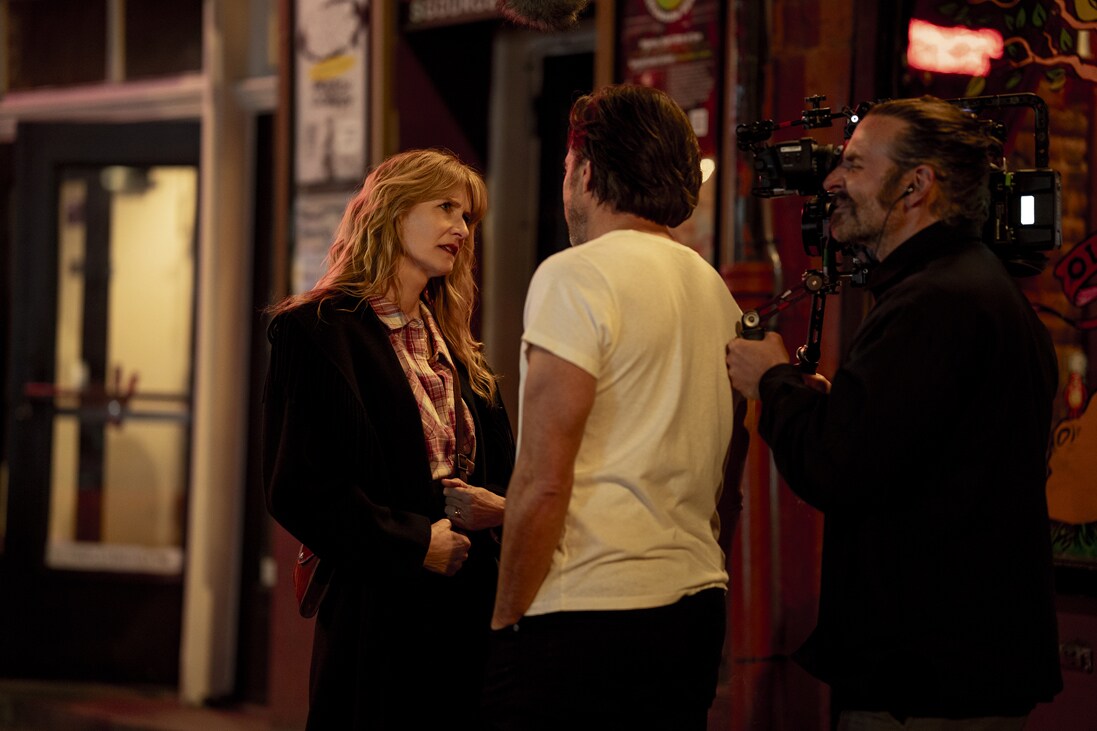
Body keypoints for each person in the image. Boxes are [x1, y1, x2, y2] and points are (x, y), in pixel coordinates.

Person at [726, 96, 1062, 728]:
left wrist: (771, 379)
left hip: (925, 687)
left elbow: (836, 465)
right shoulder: (974, 288)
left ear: (915, 185)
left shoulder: (933, 303)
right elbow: (908, 453)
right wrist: (831, 406)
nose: (832, 181)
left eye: (854, 165)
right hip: (959, 674)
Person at [483, 84, 747, 729]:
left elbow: (543, 478)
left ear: (586, 171)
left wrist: (506, 620)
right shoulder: (714, 288)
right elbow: (729, 473)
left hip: (589, 609)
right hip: (694, 603)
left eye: (566, 167)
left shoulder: (576, 274)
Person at [262, 148, 515, 729]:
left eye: (468, 216)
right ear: (392, 212)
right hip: (377, 616)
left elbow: (501, 467)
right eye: (446, 208)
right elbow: (296, 488)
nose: (461, 229)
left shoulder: (456, 341)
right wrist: (414, 544)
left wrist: (493, 508)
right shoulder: (316, 331)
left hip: (469, 615)